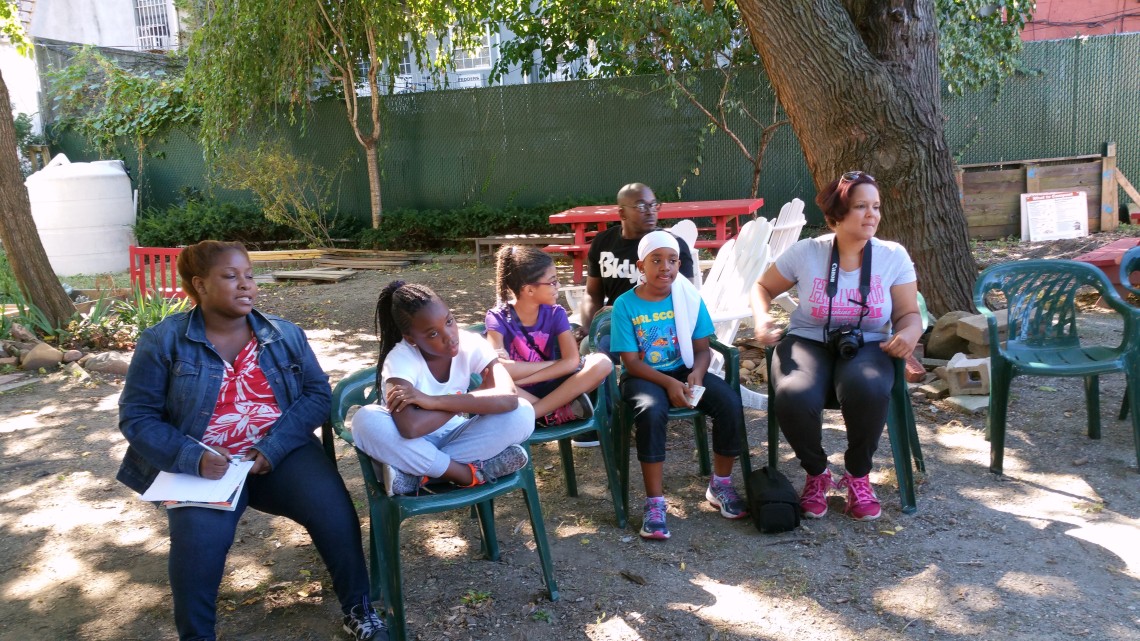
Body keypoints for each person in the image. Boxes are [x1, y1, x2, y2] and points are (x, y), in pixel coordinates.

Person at [117, 240, 386, 641]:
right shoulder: (163, 341)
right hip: (204, 466)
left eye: (248, 275)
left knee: (334, 511)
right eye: (230, 276)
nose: (246, 285)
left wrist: (272, 446)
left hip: (280, 453)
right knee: (197, 546)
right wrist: (192, 456)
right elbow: (137, 416)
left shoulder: (284, 335)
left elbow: (316, 394)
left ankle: (359, 609)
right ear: (200, 285)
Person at [749, 171, 922, 522]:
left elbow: (909, 314)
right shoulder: (807, 252)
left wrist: (909, 334)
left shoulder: (892, 256)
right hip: (808, 340)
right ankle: (817, 473)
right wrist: (761, 319)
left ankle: (858, 476)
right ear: (835, 216)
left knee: (868, 388)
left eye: (876, 206)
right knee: (794, 394)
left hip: (870, 343)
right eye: (861, 207)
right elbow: (761, 288)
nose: (872, 214)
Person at [610, 231, 749, 540]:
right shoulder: (625, 304)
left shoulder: (688, 298)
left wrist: (697, 374)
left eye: (672, 260)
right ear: (641, 266)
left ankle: (720, 484)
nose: (665, 268)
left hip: (685, 369)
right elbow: (631, 362)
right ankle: (655, 503)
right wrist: (669, 383)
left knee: (727, 401)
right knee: (651, 409)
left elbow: (702, 349)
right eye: (656, 260)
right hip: (643, 376)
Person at [350, 281, 535, 497]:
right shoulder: (400, 359)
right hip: (410, 444)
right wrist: (471, 400)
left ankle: (415, 477)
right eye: (432, 334)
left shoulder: (471, 343)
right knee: (365, 419)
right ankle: (466, 475)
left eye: (449, 321)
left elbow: (509, 398)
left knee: (523, 412)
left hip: (454, 438)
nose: (449, 336)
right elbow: (410, 428)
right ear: (411, 339)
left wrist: (434, 401)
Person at [485, 245, 614, 432]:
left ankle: (540, 414)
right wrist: (555, 364)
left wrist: (524, 374)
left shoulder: (556, 313)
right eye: (552, 282)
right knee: (490, 379)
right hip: (518, 393)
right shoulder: (497, 317)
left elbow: (571, 362)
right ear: (529, 290)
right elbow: (498, 368)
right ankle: (554, 413)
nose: (558, 286)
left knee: (602, 362)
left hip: (554, 388)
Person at [576, 182, 696, 350]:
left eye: (654, 205)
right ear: (622, 213)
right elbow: (592, 292)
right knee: (570, 340)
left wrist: (624, 310)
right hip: (614, 324)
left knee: (588, 347)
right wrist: (590, 327)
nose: (650, 211)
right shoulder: (603, 242)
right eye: (641, 206)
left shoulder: (671, 246)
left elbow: (687, 297)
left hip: (658, 327)